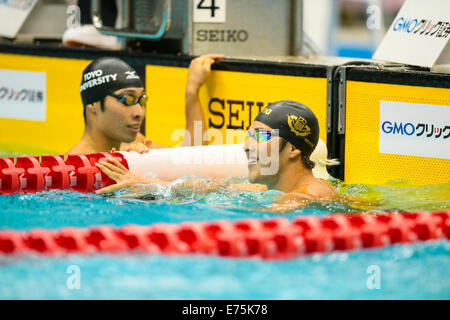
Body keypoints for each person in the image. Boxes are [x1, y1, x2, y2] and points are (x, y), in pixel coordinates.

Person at [94, 100, 339, 212]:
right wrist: (146, 184)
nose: (246, 146)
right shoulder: (267, 191)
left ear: (294, 149)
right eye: (248, 136)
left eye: (261, 137)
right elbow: (208, 187)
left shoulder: (310, 196)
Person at [67, 54, 224, 155]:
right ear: (93, 105)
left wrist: (192, 91)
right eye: (126, 99)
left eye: (141, 100)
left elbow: (190, 159)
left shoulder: (133, 145)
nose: (139, 112)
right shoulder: (75, 168)